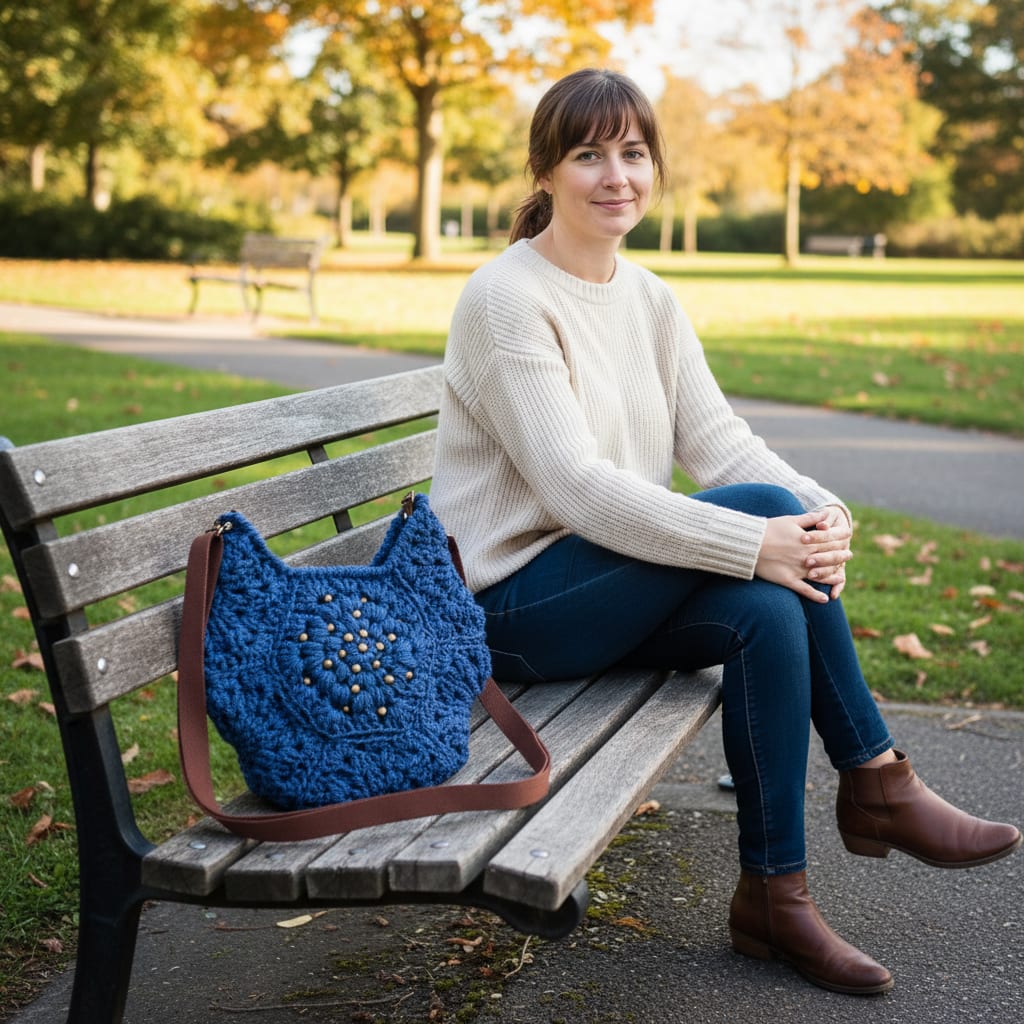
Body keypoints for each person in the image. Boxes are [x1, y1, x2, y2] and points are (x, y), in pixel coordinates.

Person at [429, 67, 1021, 996]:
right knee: (759, 537)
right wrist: (766, 533)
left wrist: (819, 510)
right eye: (589, 155)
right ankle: (876, 781)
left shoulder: (650, 299)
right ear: (544, 171)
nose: (616, 174)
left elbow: (721, 444)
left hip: (608, 587)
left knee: (765, 610)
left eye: (633, 153)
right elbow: (577, 489)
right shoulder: (506, 299)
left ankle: (774, 898)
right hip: (513, 609)